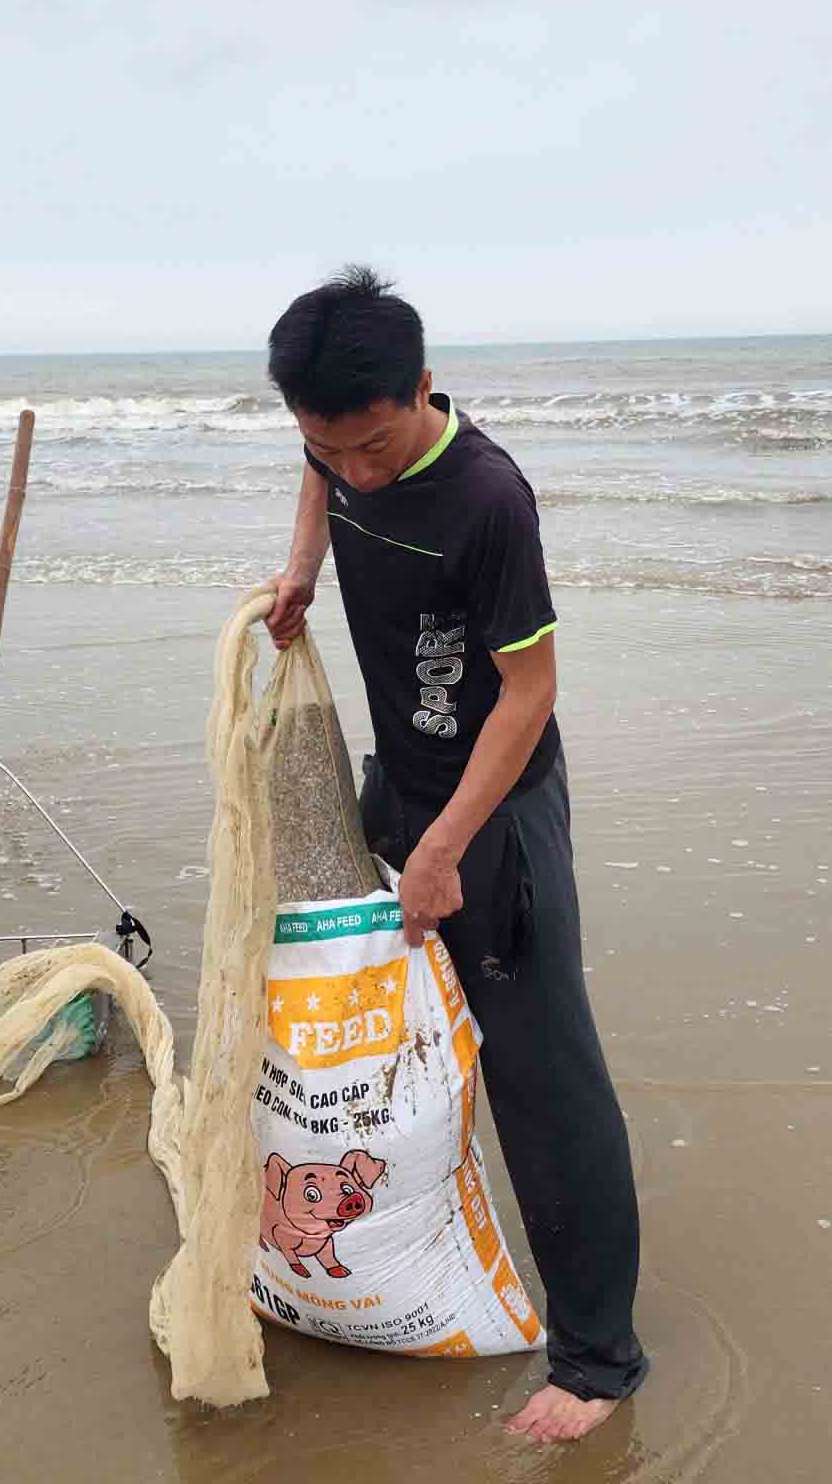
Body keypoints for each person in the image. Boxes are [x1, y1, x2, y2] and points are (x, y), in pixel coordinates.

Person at [261, 267, 646, 1444]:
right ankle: (402, 1255)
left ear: (422, 391)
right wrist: (302, 568)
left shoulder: (487, 498)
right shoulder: (334, 449)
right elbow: (319, 478)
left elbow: (529, 693)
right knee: (392, 1031)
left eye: (373, 445)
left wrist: (442, 848)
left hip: (494, 819)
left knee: (543, 1077)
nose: (355, 467)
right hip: (402, 782)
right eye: (331, 447)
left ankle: (597, 1363)